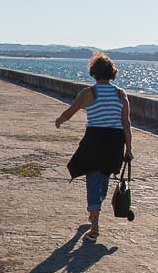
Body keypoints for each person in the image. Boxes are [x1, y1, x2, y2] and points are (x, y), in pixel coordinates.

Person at [56, 51, 133, 241]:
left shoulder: (89, 93)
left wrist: (60, 120)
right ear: (112, 72)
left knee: (93, 180)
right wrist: (129, 149)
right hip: (115, 142)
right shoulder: (120, 93)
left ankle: (95, 224)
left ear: (94, 72)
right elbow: (127, 123)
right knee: (103, 180)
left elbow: (71, 111)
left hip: (95, 139)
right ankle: (94, 211)